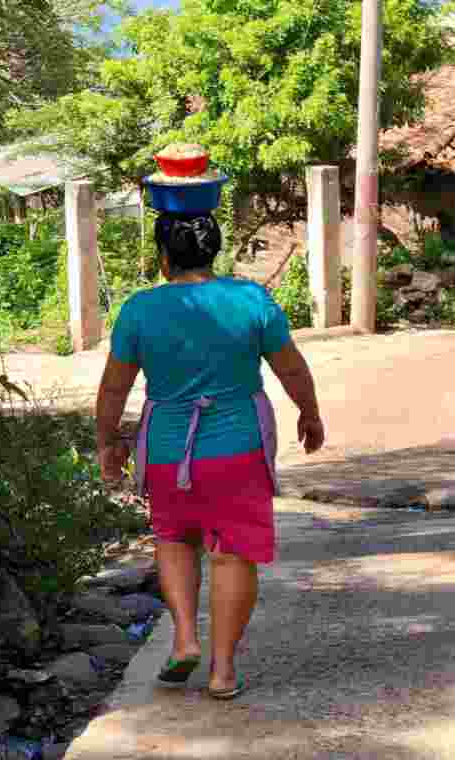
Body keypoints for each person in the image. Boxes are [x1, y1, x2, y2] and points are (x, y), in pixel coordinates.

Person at [94, 211, 324, 700]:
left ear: (163, 259)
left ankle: (183, 639)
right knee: (232, 554)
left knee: (174, 539)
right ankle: (222, 671)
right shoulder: (250, 299)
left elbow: (115, 386)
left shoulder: (140, 310)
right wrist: (310, 414)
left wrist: (107, 441)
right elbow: (292, 369)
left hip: (165, 450)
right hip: (237, 448)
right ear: (213, 251)